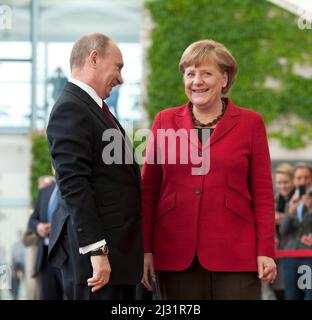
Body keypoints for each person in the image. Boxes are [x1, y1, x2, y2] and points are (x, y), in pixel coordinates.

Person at [141, 39, 277, 300]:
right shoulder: (164, 120)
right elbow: (149, 191)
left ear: (224, 78)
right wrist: (146, 249)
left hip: (237, 253)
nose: (196, 81)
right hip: (175, 251)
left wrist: (266, 250)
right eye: (190, 74)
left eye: (206, 73)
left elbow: (262, 192)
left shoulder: (251, 123)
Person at [46, 33, 143, 300]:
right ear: (94, 58)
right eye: (119, 67)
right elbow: (73, 184)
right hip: (97, 263)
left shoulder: (93, 108)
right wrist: (96, 251)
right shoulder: (72, 108)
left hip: (114, 258)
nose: (121, 78)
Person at [280, 162, 312, 300]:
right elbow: (283, 231)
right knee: (291, 296)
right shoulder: (291, 201)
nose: (303, 181)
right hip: (290, 256)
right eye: (299, 178)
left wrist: (310, 211)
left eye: (306, 177)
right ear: (294, 180)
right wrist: (290, 213)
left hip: (309, 257)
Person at [28, 179, 64, 300]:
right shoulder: (44, 192)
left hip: (66, 256)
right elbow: (32, 220)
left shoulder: (71, 187)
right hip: (45, 257)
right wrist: (39, 227)